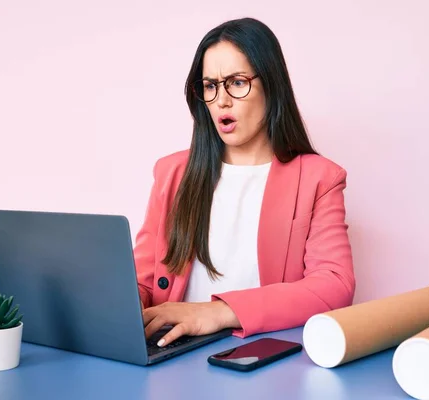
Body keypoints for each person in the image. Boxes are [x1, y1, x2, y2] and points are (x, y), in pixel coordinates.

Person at [134, 17, 355, 348]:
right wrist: (128, 304)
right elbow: (143, 282)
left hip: (259, 356)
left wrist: (219, 312)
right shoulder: (172, 172)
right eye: (210, 86)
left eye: (236, 82)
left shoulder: (319, 178)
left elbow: (334, 284)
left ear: (271, 85)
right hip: (173, 354)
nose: (221, 100)